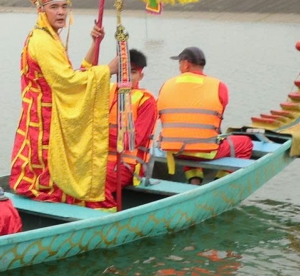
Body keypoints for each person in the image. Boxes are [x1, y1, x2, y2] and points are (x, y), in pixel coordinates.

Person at [8, 0, 119, 205]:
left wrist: (94, 43)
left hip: (48, 114)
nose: (61, 12)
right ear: (42, 10)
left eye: (64, 6)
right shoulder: (43, 41)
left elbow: (72, 73)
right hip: (44, 117)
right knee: (45, 170)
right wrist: (107, 70)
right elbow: (68, 81)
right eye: (54, 7)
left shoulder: (49, 37)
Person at [156, 47, 253, 183]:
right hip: (205, 152)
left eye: (179, 63)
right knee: (245, 143)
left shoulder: (166, 85)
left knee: (189, 139)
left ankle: (194, 181)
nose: (179, 67)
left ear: (186, 64)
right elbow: (219, 115)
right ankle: (221, 181)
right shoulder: (219, 86)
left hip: (172, 150)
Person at [100, 49, 158, 211]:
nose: (125, 77)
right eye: (122, 72)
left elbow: (132, 141)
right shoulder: (106, 91)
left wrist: (98, 134)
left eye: (132, 72)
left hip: (126, 165)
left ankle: (108, 217)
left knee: (94, 183)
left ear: (140, 76)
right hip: (99, 161)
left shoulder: (147, 102)